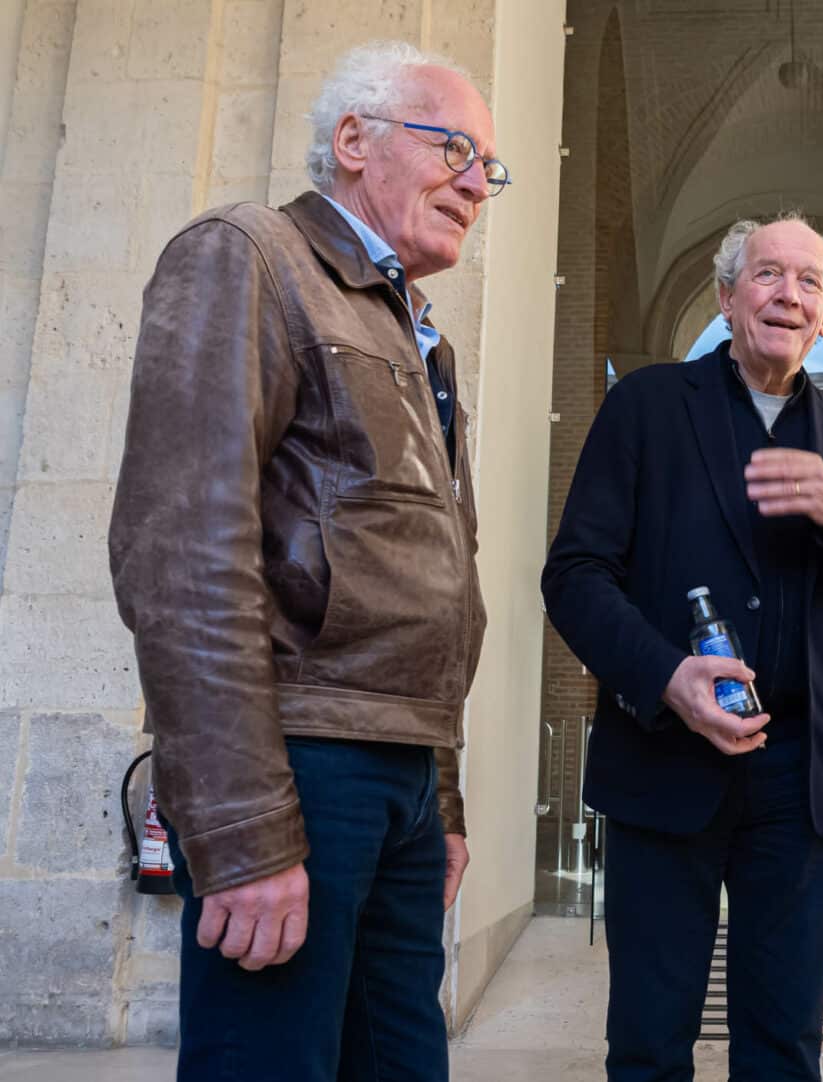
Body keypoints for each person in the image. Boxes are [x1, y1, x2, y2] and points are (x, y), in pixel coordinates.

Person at [108, 41, 499, 1080]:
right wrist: (241, 827)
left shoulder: (421, 337)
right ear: (354, 140)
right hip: (300, 764)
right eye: (455, 148)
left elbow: (423, 586)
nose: (476, 183)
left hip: (403, 776)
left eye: (488, 167)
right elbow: (180, 553)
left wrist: (441, 800)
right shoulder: (250, 256)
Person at [541, 212, 823, 1080]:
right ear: (726, 297)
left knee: (783, 1048)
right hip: (663, 760)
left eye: (809, 281)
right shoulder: (645, 407)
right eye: (767, 274)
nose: (789, 294)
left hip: (798, 779)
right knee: (648, 1044)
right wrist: (665, 676)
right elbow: (575, 576)